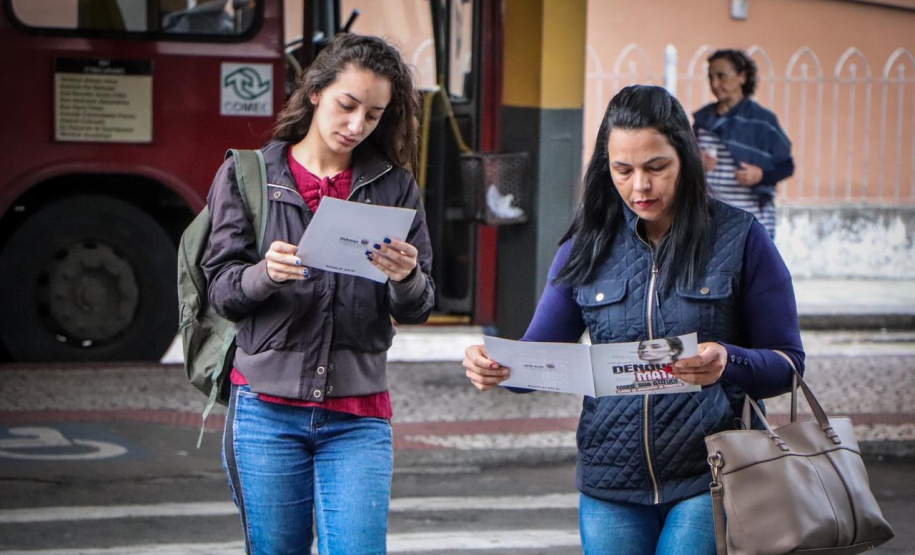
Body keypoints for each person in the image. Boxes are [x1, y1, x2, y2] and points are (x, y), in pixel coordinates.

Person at [463, 85, 804, 555]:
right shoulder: (585, 247)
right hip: (610, 482)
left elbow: (788, 365)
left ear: (685, 158)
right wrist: (496, 365)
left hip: (713, 473)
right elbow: (536, 356)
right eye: (623, 170)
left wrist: (728, 360)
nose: (640, 186)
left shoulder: (741, 239)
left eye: (656, 167)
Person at [202, 33, 434, 555]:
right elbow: (221, 292)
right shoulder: (249, 174)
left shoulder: (395, 186)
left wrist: (405, 278)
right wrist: (265, 273)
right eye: (346, 105)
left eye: (373, 115)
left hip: (359, 415)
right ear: (314, 93)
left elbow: (419, 306)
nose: (356, 125)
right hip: (265, 409)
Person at [693, 49, 794, 238]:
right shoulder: (703, 120)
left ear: (742, 77)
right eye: (711, 77)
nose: (715, 84)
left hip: (753, 222)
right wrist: (697, 162)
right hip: (712, 220)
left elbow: (786, 166)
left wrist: (761, 175)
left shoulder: (763, 121)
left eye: (721, 76)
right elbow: (686, 162)